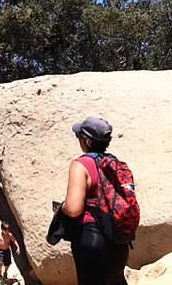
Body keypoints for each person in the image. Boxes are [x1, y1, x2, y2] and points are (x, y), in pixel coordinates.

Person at [61, 116, 129, 285]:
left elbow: (73, 208)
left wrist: (62, 207)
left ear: (87, 141)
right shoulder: (115, 163)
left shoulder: (81, 164)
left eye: (79, 137)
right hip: (119, 242)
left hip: (92, 240)